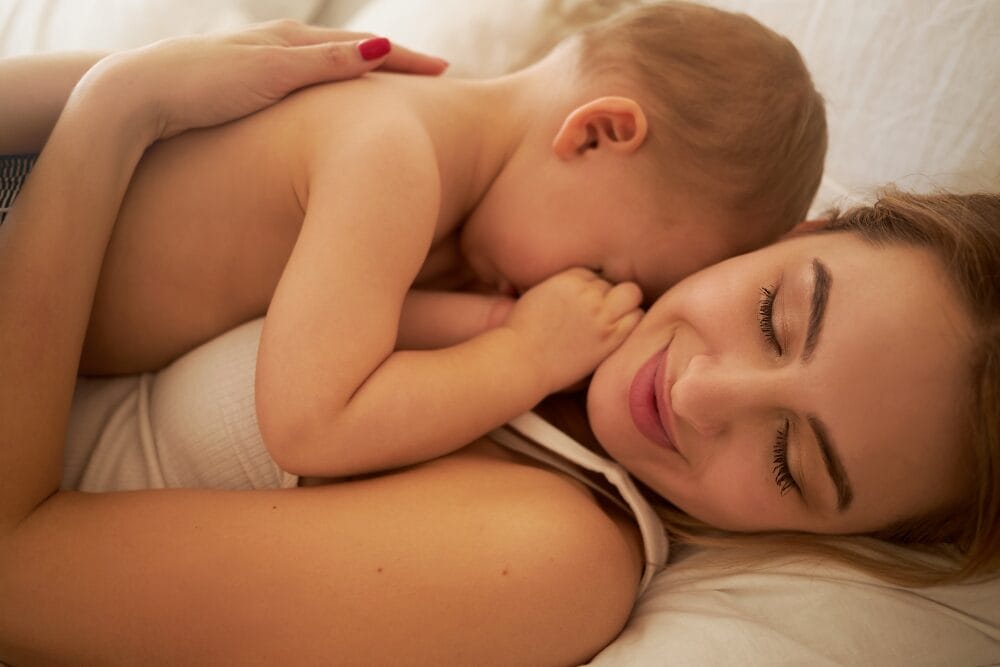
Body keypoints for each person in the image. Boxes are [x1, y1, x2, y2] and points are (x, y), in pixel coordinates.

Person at [0, 21, 997, 666]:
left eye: (788, 459)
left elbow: (16, 572)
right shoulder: (506, 226)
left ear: (842, 538)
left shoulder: (549, 553)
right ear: (795, 233)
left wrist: (116, 111)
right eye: (778, 313)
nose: (700, 394)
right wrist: (126, 100)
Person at [69, 2, 826, 480]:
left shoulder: (443, 175)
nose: (574, 289)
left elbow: (345, 319)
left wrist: (500, 323)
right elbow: (309, 424)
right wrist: (521, 355)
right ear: (595, 134)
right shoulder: (393, 159)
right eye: (606, 268)